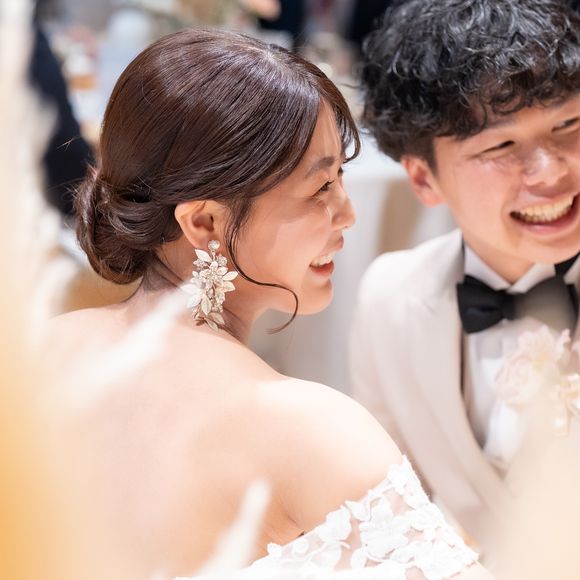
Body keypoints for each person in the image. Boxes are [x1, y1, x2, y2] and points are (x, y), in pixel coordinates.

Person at [46, 29, 492, 579]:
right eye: (320, 188)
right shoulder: (311, 429)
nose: (347, 213)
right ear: (204, 223)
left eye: (341, 177)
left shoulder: (46, 350)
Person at [352, 0, 580, 555]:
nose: (550, 171)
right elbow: (390, 508)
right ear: (423, 179)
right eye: (501, 145)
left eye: (569, 124)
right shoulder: (390, 297)